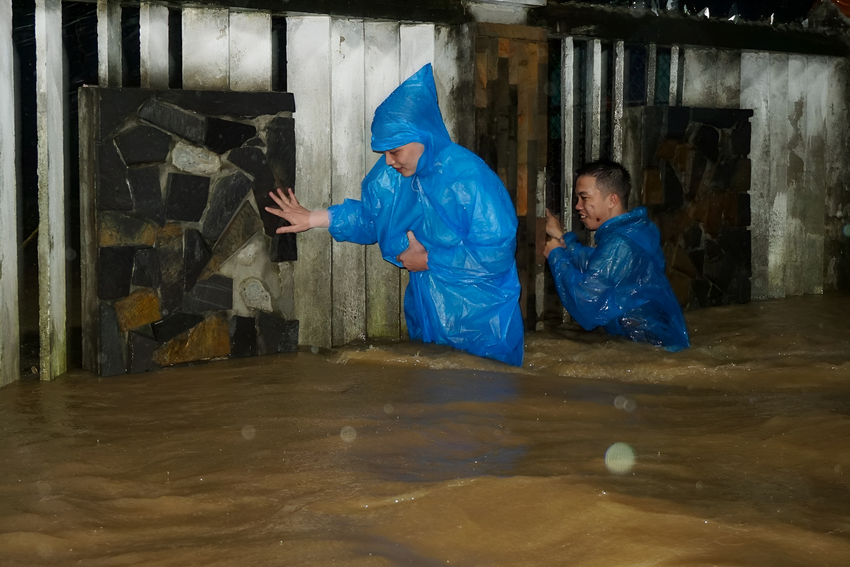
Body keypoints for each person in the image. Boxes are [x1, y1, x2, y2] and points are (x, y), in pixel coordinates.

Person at [266, 64, 524, 366]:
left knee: (485, 400)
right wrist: (314, 219)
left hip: (483, 320)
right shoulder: (397, 174)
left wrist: (429, 260)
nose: (388, 161)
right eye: (384, 152)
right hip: (428, 310)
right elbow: (373, 218)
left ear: (423, 137)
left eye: (395, 150)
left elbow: (496, 254)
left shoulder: (469, 178)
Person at [543, 160, 690, 351]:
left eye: (584, 198)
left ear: (612, 200)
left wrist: (556, 256)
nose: (578, 206)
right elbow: (598, 263)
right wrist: (564, 240)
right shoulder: (636, 229)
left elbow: (588, 300)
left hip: (648, 345)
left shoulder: (621, 242)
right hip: (653, 339)